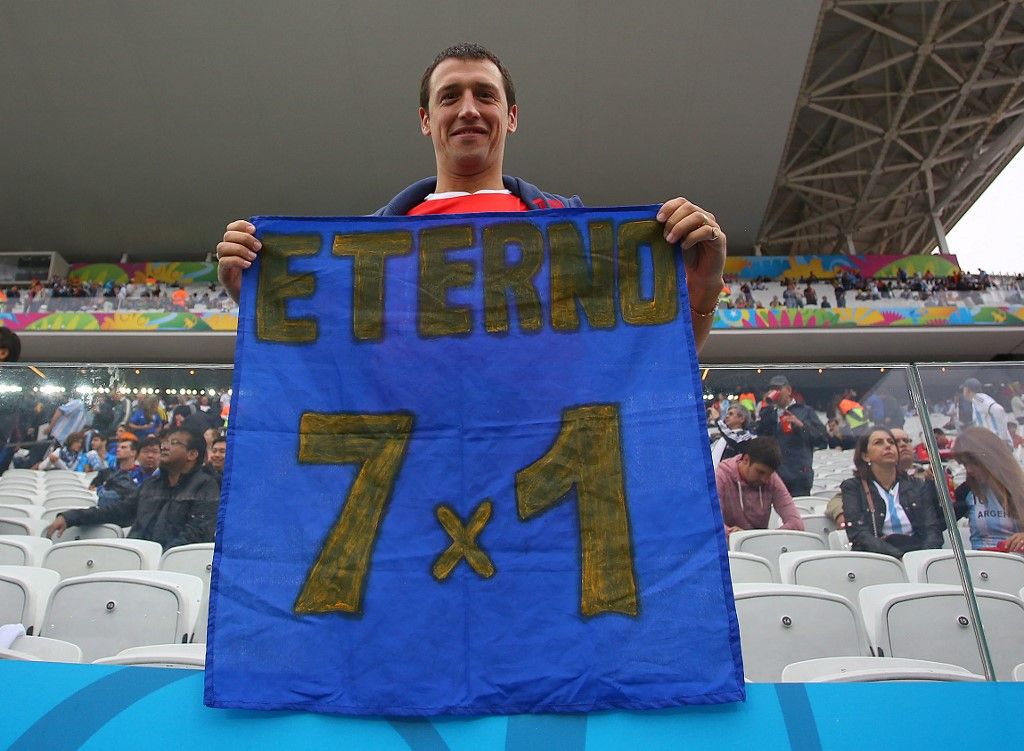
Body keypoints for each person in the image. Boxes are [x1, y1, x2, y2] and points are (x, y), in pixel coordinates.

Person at [215, 43, 727, 353]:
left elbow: (643, 371)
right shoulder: (364, 248)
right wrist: (260, 299)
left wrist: (703, 287)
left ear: (511, 117)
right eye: (449, 96)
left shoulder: (572, 231)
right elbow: (333, 373)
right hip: (414, 497)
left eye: (485, 94)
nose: (467, 110)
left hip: (541, 498)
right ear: (424, 120)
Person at [44, 429, 221, 550]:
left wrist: (156, 558)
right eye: (165, 442)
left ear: (192, 454)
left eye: (174, 443)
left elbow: (196, 533)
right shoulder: (152, 484)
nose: (165, 447)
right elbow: (118, 511)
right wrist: (71, 517)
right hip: (137, 558)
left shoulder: (206, 486)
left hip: (171, 567)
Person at [839, 428, 943, 558]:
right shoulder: (853, 487)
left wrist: (922, 558)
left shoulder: (918, 485)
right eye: (879, 442)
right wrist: (898, 557)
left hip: (919, 557)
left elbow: (932, 528)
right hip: (878, 560)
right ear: (865, 456)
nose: (887, 445)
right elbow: (859, 534)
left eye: (890, 442)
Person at [950, 426, 1024, 552]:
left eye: (974, 463)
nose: (969, 470)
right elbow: (936, 521)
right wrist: (930, 485)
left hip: (1017, 564)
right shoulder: (968, 490)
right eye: (964, 464)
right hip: (981, 565)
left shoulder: (1020, 488)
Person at [715, 437, 804, 537]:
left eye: (769, 474)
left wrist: (766, 537)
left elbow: (796, 523)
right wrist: (735, 535)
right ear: (746, 460)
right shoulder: (720, 476)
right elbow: (712, 524)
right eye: (760, 472)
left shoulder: (772, 478)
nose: (765, 479)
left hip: (760, 545)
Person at [755, 375, 828, 496]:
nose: (774, 392)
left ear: (788, 390)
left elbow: (822, 439)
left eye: (778, 389)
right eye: (771, 389)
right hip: (773, 475)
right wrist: (766, 411)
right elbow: (760, 437)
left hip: (798, 476)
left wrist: (801, 425)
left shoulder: (805, 411)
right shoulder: (769, 414)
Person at [958, 377, 1011, 447]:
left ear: (967, 390)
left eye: (963, 389)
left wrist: (1003, 438)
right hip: (993, 444)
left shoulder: (979, 399)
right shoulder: (976, 401)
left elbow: (999, 410)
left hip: (997, 444)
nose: (963, 392)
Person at [90, 438, 142, 507]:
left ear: (133, 452)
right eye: (118, 447)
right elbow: (92, 489)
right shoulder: (106, 472)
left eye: (123, 447)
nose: (118, 449)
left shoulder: (141, 473)